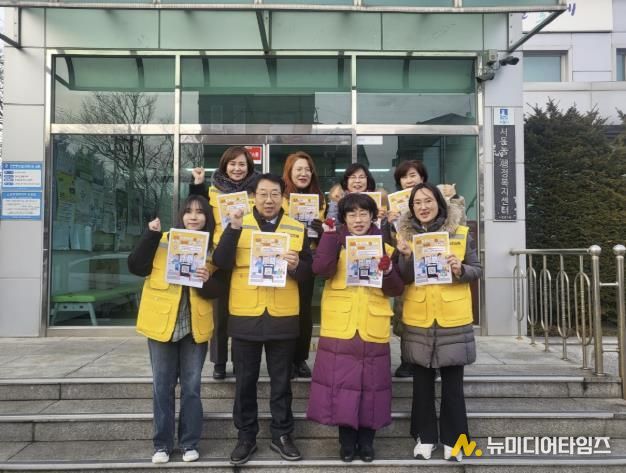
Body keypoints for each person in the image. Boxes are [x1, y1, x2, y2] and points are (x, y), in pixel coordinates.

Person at [211, 173, 312, 465]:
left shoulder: (296, 227)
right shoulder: (237, 223)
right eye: (263, 194)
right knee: (245, 382)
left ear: (283, 197)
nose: (269, 200)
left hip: (283, 315)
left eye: (275, 194)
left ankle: (282, 434)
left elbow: (309, 274)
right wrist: (233, 228)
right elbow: (220, 261)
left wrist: (297, 265)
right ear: (253, 197)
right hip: (246, 314)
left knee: (282, 383)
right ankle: (246, 437)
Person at [307, 193, 404, 463]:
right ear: (344, 218)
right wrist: (328, 236)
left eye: (364, 214)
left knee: (373, 387)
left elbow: (396, 289)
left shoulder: (385, 247)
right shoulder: (336, 242)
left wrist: (387, 271)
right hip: (341, 326)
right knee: (342, 387)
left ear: (373, 216)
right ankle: (347, 442)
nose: (358, 219)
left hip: (372, 325)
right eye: (352, 214)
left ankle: (367, 442)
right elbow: (320, 269)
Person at [127, 195, 224, 464]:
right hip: (162, 325)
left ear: (207, 218)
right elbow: (136, 266)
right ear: (181, 215)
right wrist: (150, 235)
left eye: (200, 212)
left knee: (191, 388)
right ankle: (162, 445)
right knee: (162, 386)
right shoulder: (162, 240)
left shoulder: (212, 250)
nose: (193, 216)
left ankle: (189, 442)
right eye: (188, 211)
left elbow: (219, 289)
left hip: (194, 328)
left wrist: (207, 280)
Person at [394, 182, 481, 462]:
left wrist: (460, 268)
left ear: (439, 203)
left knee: (453, 385)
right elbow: (403, 277)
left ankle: (455, 440)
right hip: (419, 316)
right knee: (422, 384)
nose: (423, 207)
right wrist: (405, 257)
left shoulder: (461, 232)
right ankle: (426, 436)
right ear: (411, 208)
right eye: (417, 203)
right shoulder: (403, 236)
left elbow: (476, 269)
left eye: (428, 201)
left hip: (452, 318)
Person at [191, 146, 260, 380]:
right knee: (219, 314)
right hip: (219, 257)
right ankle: (219, 362)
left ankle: (241, 362)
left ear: (249, 167)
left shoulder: (257, 191)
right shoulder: (213, 190)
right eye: (232, 164)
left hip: (247, 257)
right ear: (224, 165)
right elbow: (198, 209)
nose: (237, 168)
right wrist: (197, 184)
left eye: (242, 164)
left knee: (243, 314)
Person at [281, 151, 326, 378]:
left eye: (307, 169)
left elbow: (325, 236)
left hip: (308, 258)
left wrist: (321, 231)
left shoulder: (320, 200)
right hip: (284, 257)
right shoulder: (281, 197)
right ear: (289, 172)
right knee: (286, 309)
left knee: (304, 311)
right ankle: (285, 359)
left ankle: (300, 358)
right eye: (298, 169)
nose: (303, 173)